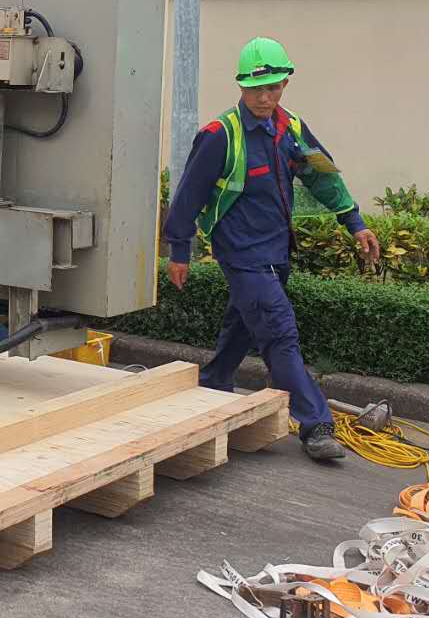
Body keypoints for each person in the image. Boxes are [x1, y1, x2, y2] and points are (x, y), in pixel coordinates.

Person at [162, 37, 381, 462]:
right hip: (241, 252)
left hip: (277, 249)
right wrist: (180, 250)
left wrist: (355, 223)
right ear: (241, 87)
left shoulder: (291, 128)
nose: (265, 97)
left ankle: (215, 381)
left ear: (285, 84)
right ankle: (315, 425)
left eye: (274, 88)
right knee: (279, 333)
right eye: (256, 89)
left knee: (246, 322)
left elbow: (323, 177)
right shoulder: (219, 136)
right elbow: (187, 196)